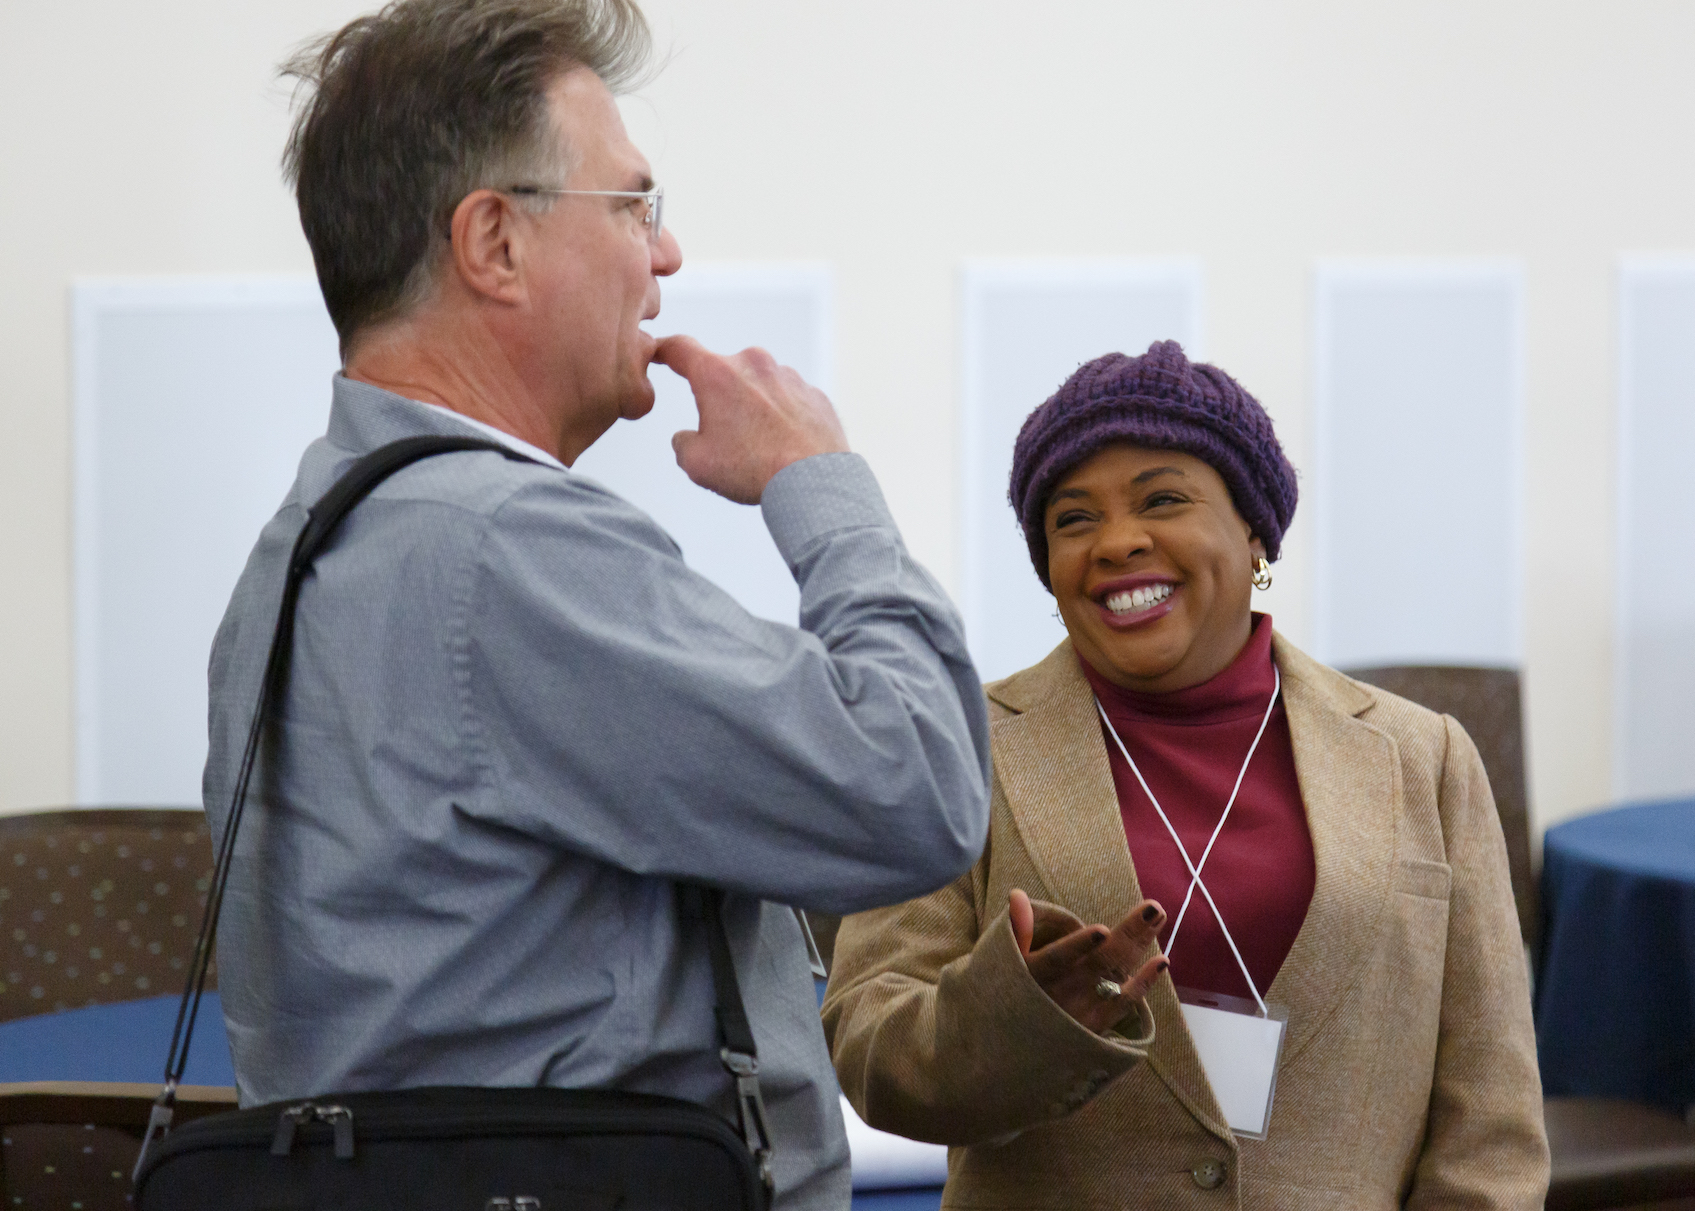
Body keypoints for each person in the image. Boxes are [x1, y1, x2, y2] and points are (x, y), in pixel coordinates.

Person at [202, 3, 990, 1208]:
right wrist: (819, 484)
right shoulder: (508, 551)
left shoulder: (297, 545)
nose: (664, 256)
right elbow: (918, 787)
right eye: (633, 206)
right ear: (495, 244)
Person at [822, 341, 1549, 1208]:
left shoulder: (1421, 757)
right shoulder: (957, 748)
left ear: (1253, 533)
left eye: (1162, 499)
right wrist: (1016, 1017)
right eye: (1072, 518)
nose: (1117, 541)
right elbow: (871, 1049)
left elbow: (1489, 1123)